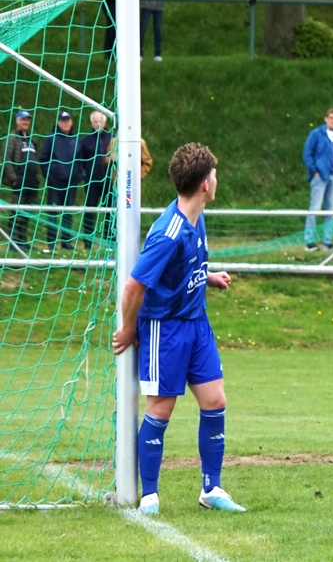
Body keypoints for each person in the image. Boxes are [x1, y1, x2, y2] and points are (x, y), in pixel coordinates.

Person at [111, 143, 245, 515]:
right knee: (161, 408)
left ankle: (211, 489)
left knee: (215, 401)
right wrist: (129, 329)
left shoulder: (196, 215)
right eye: (213, 174)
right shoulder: (167, 233)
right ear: (204, 184)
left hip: (196, 324)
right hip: (164, 329)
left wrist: (207, 276)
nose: (216, 179)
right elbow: (133, 287)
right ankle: (149, 496)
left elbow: (183, 265)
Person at [302, 108, 333, 252]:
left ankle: (327, 241)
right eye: (331, 118)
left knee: (331, 210)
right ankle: (309, 241)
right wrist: (314, 171)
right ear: (326, 118)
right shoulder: (316, 134)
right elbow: (307, 153)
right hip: (320, 176)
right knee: (314, 209)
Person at [38, 111, 82, 253]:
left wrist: (78, 175)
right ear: (58, 123)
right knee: (53, 212)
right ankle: (51, 243)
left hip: (71, 183)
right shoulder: (51, 138)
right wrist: (49, 176)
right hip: (55, 182)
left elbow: (80, 160)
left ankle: (66, 242)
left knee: (68, 212)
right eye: (63, 121)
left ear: (71, 122)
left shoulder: (75, 139)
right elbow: (43, 159)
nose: (65, 123)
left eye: (67, 120)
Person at [3, 109, 40, 249]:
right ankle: (13, 242)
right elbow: (6, 159)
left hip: (32, 181)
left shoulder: (32, 140)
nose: (25, 122)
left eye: (27, 119)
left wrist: (37, 177)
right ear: (17, 121)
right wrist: (13, 178)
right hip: (19, 179)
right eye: (23, 119)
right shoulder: (12, 138)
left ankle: (23, 240)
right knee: (16, 211)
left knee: (27, 212)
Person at [76, 111, 113, 250]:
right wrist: (83, 175)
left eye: (100, 121)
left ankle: (110, 241)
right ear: (92, 123)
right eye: (95, 121)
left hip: (109, 181)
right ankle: (88, 242)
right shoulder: (85, 140)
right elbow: (79, 160)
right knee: (90, 212)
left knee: (110, 212)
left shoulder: (112, 138)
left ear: (105, 122)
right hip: (92, 182)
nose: (98, 124)